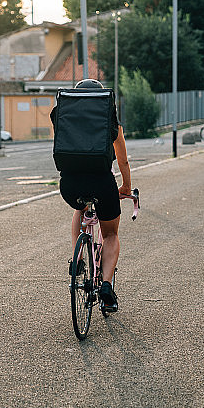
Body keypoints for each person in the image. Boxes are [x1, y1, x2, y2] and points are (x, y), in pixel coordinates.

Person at [51, 79, 131, 312]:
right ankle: (106, 285)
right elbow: (123, 160)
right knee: (111, 234)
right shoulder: (111, 124)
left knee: (80, 207)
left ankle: (77, 260)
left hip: (69, 184)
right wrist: (126, 187)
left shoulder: (63, 118)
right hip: (102, 183)